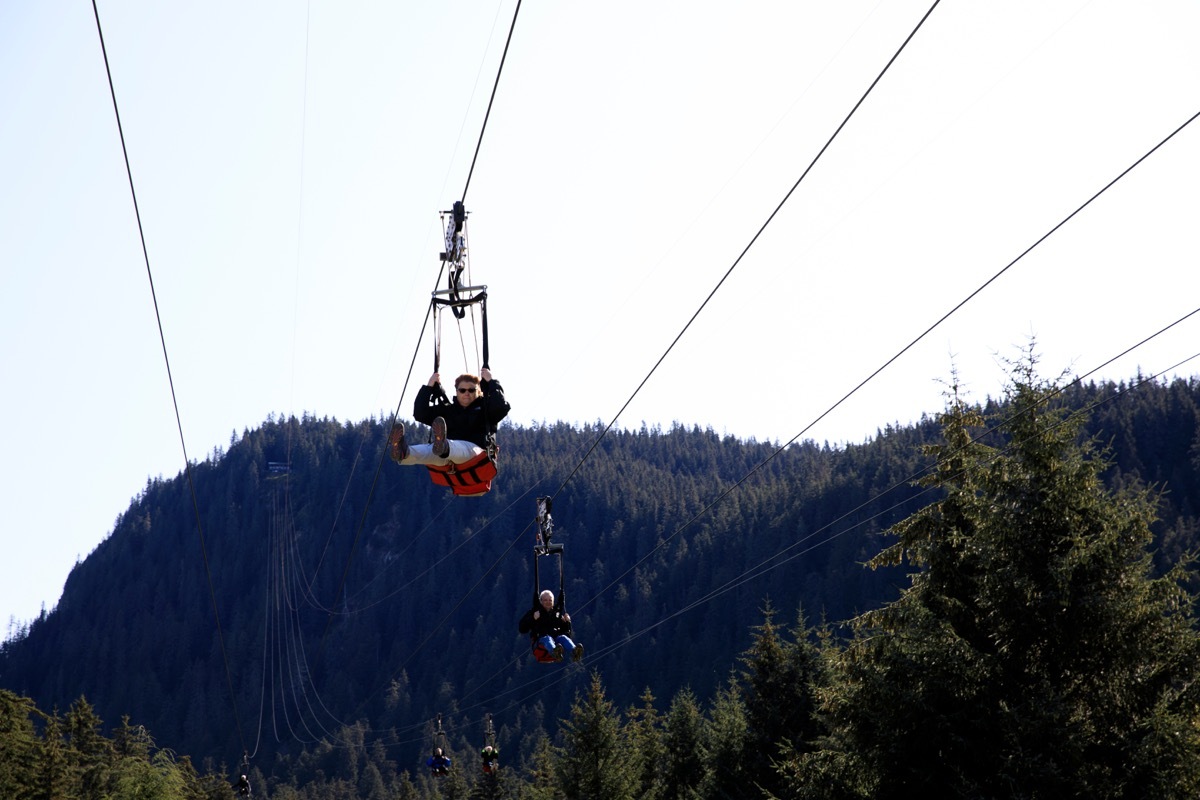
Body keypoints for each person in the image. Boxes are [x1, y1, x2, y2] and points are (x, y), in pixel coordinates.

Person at [389, 368, 510, 466]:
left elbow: (501, 407)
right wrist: (429, 387)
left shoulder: (486, 410)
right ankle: (404, 452)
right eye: (462, 390)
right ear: (456, 392)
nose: (466, 393)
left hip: (475, 455)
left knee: (455, 447)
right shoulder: (448, 411)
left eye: (471, 390)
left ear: (478, 392)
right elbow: (421, 414)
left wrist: (492, 382)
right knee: (428, 451)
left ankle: (444, 446)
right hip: (446, 457)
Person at [519, 590, 583, 663]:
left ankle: (575, 651)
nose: (548, 602)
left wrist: (567, 622)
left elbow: (567, 633)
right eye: (545, 600)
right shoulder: (535, 612)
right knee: (548, 638)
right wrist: (533, 618)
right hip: (540, 642)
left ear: (553, 602)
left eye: (550, 600)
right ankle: (554, 652)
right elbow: (522, 629)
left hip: (556, 640)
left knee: (563, 637)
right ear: (541, 601)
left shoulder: (557, 614)